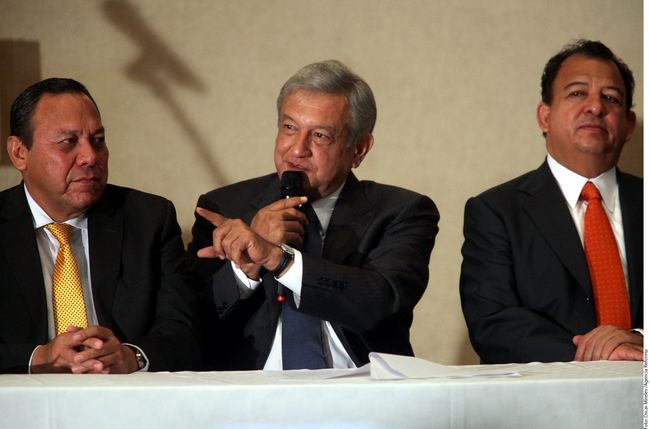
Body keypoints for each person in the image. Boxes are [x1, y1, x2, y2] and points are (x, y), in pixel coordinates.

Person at [188, 60, 439, 370]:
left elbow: (380, 303)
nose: (297, 150)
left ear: (359, 149)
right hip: (248, 390)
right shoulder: (224, 207)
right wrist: (245, 267)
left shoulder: (401, 211)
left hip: (361, 387)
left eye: (320, 135)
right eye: (289, 128)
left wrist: (279, 259)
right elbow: (190, 324)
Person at [0, 78, 200, 374]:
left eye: (98, 140)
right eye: (69, 142)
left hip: (125, 395)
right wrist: (38, 358)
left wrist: (132, 356)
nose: (90, 157)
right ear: (19, 152)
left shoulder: (148, 219)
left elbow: (184, 330)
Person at [460, 40, 642, 364]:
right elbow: (493, 322)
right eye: (577, 93)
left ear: (628, 125)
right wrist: (600, 353)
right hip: (547, 389)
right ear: (545, 116)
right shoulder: (496, 211)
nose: (595, 107)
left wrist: (641, 340)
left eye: (611, 98)